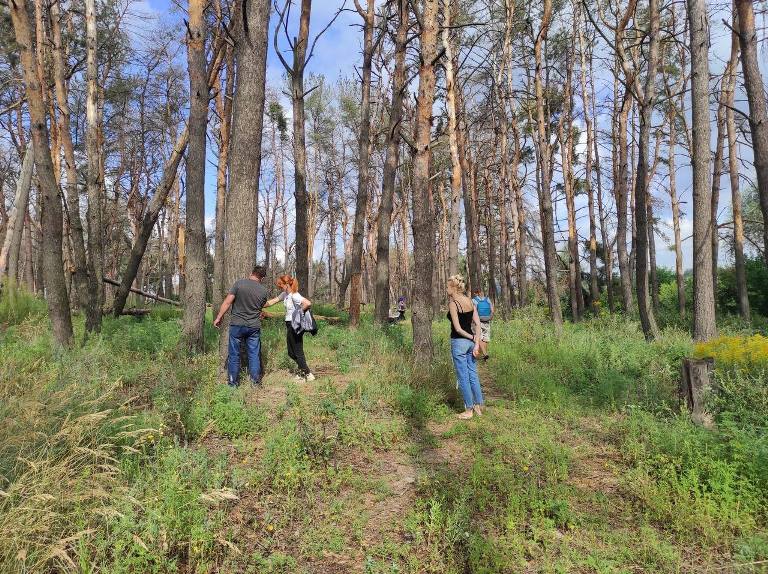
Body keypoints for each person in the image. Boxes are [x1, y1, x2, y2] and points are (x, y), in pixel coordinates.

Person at [213, 265, 268, 387]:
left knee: (234, 355)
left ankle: (233, 384)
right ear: (262, 278)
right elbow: (260, 309)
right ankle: (255, 383)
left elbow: (228, 302)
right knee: (254, 355)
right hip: (254, 327)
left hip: (237, 325)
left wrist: (218, 317)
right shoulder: (264, 291)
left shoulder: (239, 284)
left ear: (251, 273)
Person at [447, 275, 484, 419]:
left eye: (448, 286)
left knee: (463, 377)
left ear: (453, 288)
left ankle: (469, 410)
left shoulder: (453, 304)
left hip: (459, 343)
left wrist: (473, 338)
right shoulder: (470, 301)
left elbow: (458, 329)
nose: (446, 289)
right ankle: (479, 405)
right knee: (473, 374)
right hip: (470, 345)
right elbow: (478, 324)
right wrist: (475, 343)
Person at [266, 275, 315, 381]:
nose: (279, 287)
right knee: (291, 352)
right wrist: (258, 304)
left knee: (297, 350)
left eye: (281, 285)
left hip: (295, 325)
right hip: (289, 324)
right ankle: (305, 371)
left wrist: (298, 314)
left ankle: (304, 375)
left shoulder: (294, 295)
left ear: (287, 284)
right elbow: (273, 301)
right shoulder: (285, 294)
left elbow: (307, 303)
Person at [471, 288, 494, 360]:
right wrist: (490, 317)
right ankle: (484, 357)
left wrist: (472, 320)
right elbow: (492, 310)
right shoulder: (487, 299)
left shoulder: (474, 300)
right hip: (487, 320)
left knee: (478, 337)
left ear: (476, 293)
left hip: (478, 321)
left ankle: (484, 353)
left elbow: (473, 311)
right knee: (485, 338)